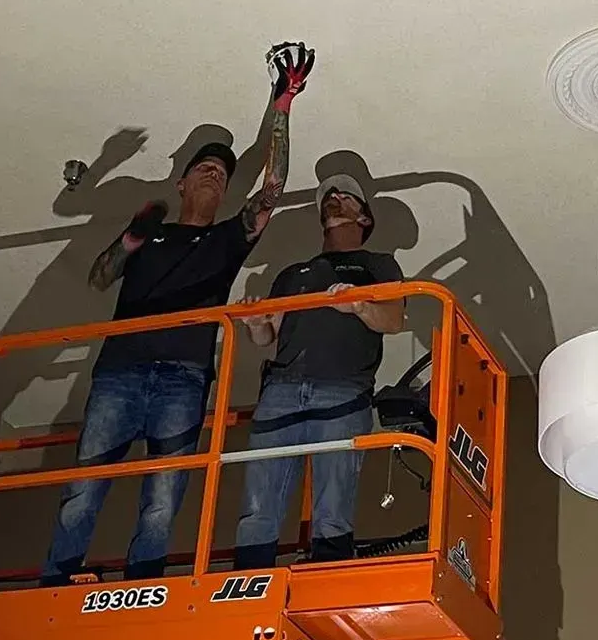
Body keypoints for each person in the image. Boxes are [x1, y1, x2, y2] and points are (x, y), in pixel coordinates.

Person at [41, 45, 313, 584]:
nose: (214, 172)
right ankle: (55, 583)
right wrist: (131, 233)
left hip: (184, 377)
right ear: (182, 182)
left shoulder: (228, 237)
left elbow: (273, 188)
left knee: (164, 497)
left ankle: (142, 587)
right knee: (83, 487)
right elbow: (98, 279)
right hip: (120, 371)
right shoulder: (151, 230)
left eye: (222, 172)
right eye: (204, 167)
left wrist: (282, 103)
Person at [232, 174, 406, 567]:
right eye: (329, 196)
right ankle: (249, 582)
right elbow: (267, 336)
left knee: (333, 500)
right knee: (258, 503)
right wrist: (256, 322)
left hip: (343, 391)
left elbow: (394, 320)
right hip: (281, 388)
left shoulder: (378, 264)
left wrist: (358, 306)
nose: (334, 198)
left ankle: (327, 573)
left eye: (346, 196)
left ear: (364, 219)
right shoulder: (294, 274)